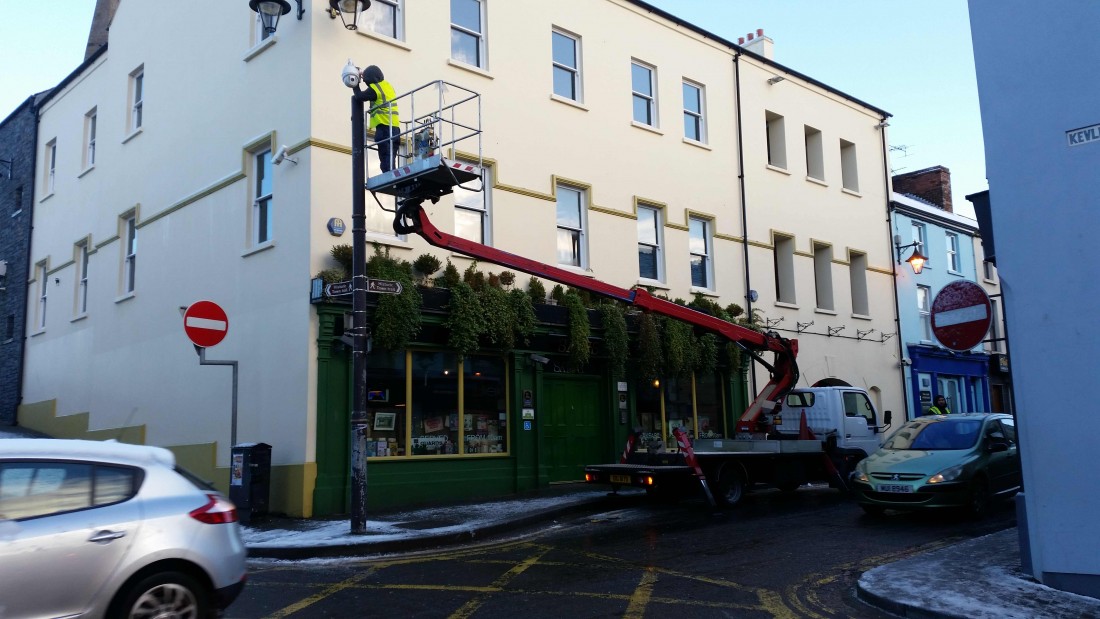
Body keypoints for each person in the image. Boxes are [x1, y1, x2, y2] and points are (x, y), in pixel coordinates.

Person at [361, 65, 399, 172]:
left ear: (374, 78)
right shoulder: (388, 86)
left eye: (367, 81)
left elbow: (359, 96)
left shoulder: (375, 88)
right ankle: (392, 172)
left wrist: (355, 84)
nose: (368, 85)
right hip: (395, 128)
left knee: (385, 155)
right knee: (391, 156)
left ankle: (389, 174)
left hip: (384, 127)